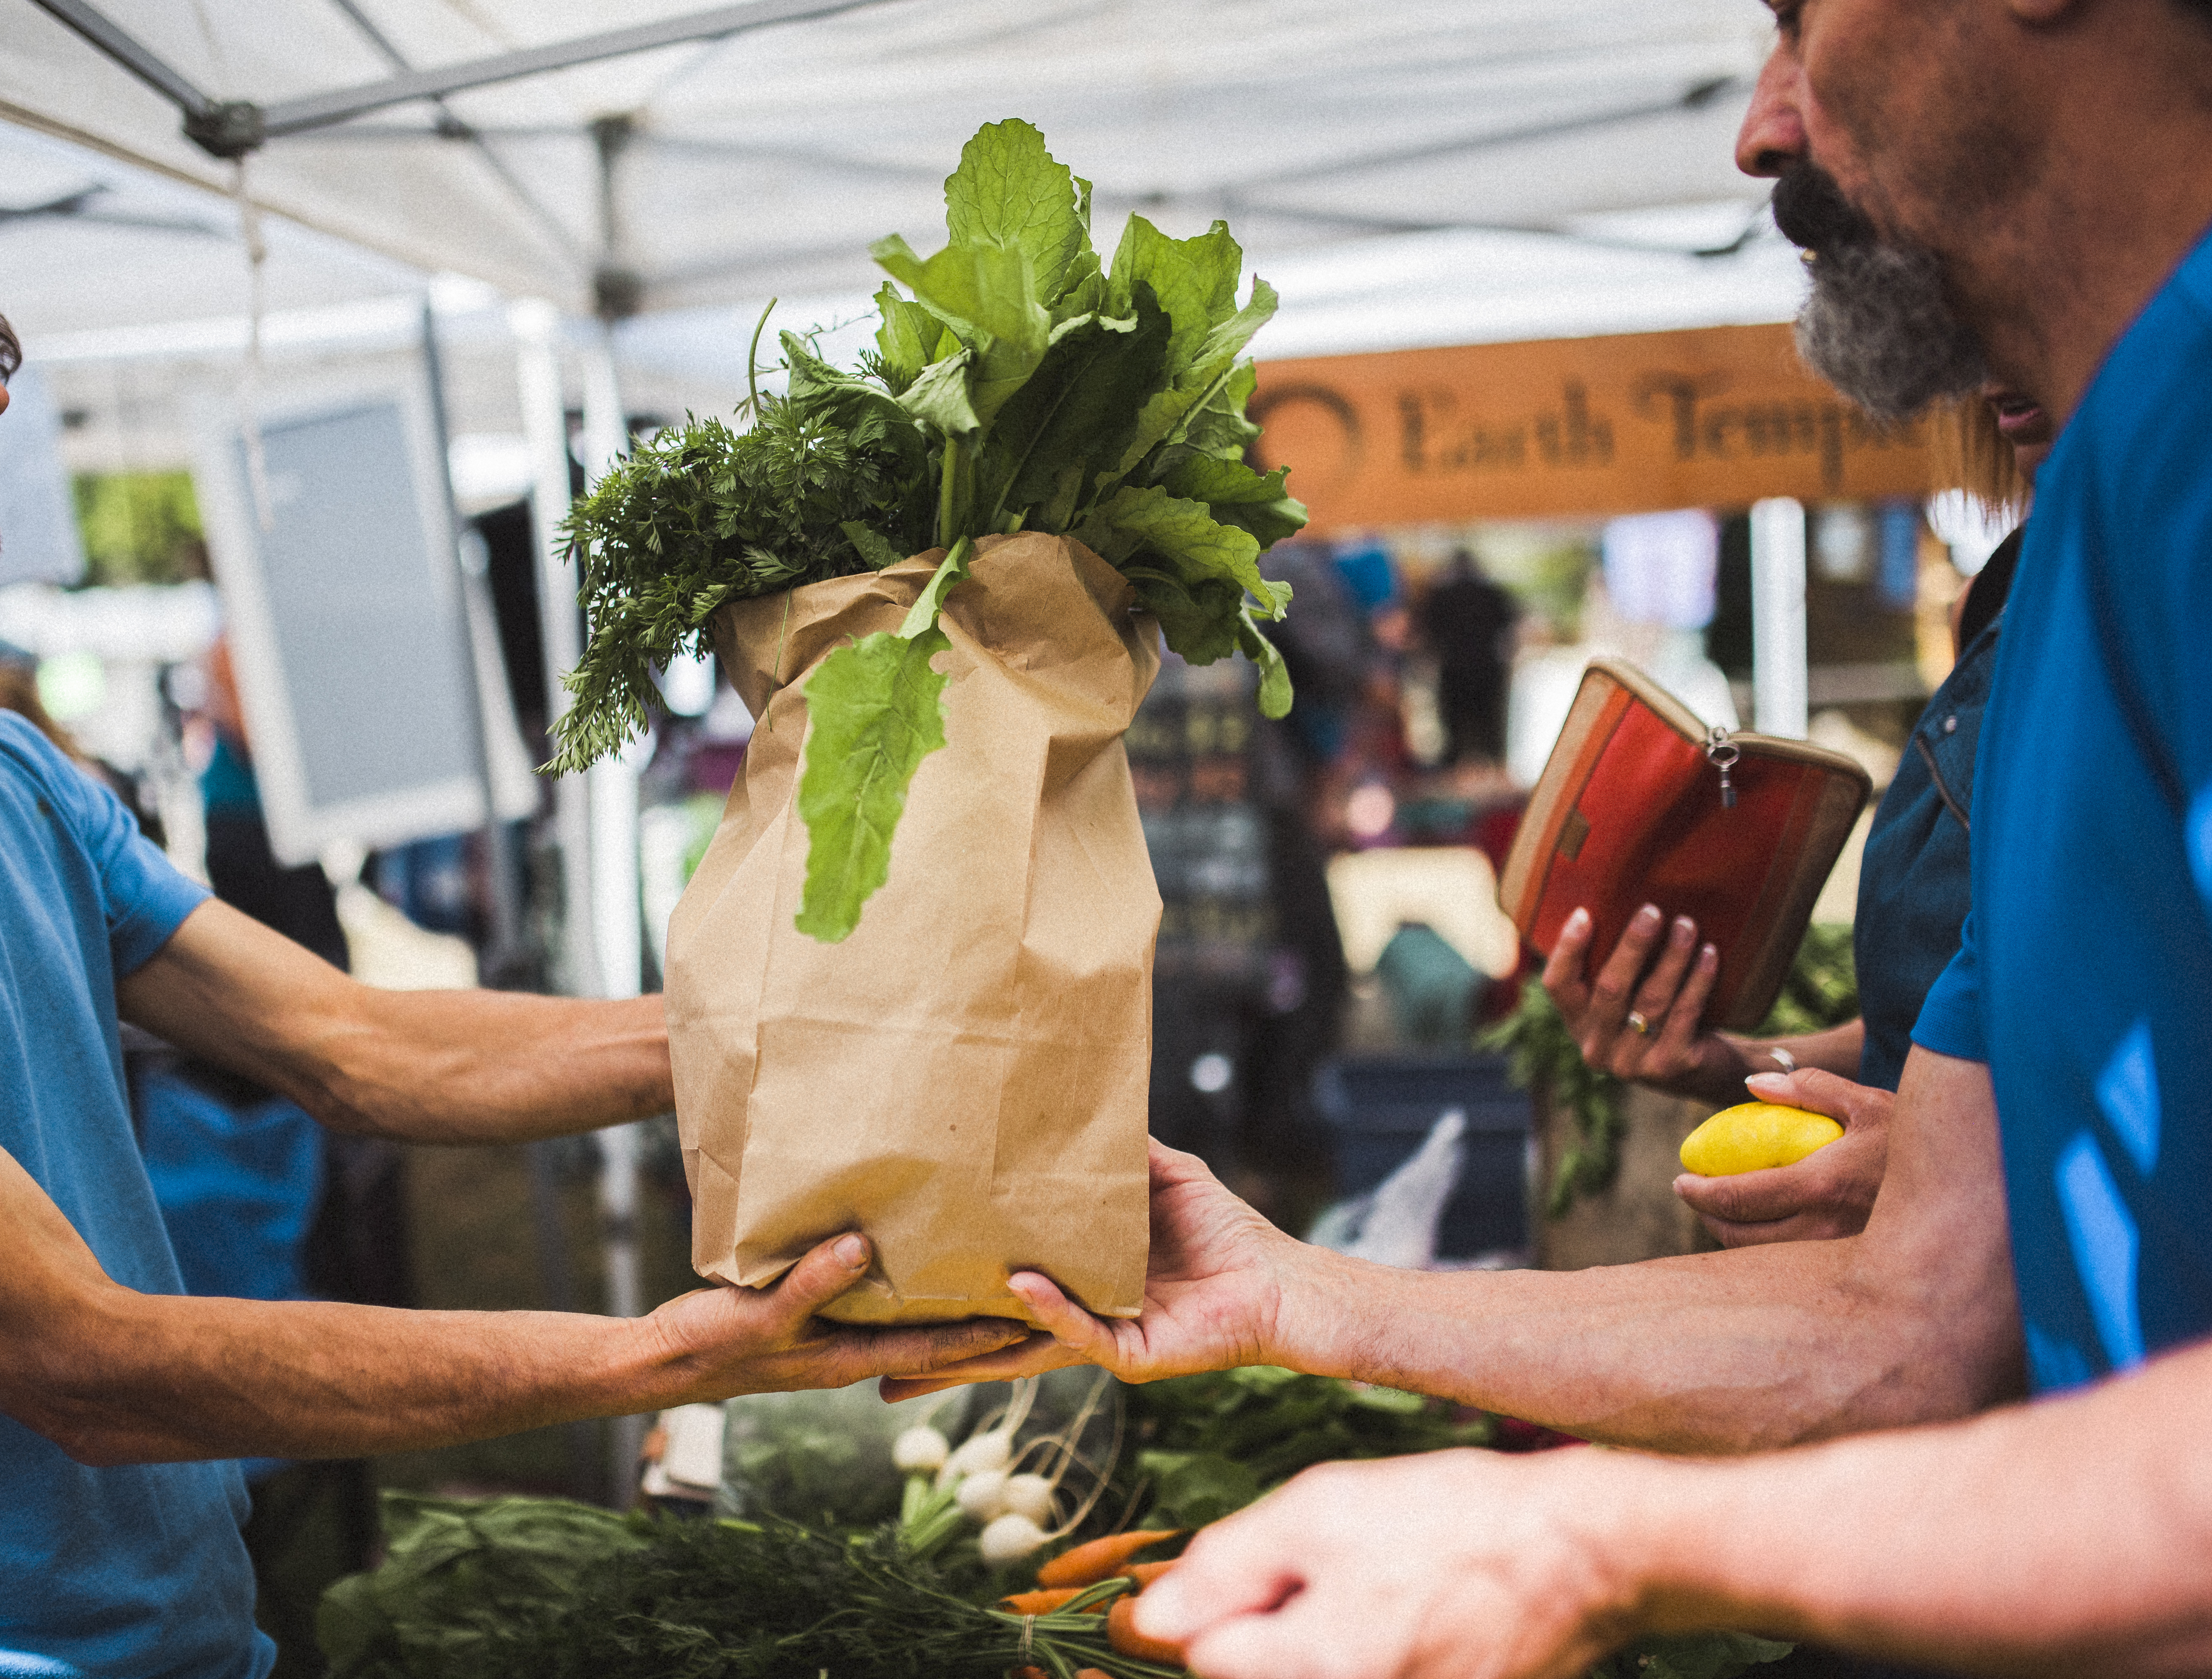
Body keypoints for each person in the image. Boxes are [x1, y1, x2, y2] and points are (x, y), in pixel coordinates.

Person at [920, 3, 2212, 1672]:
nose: (1762, 125)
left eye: (1801, 17)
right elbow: (1911, 1321)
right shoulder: (2100, 516)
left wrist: (1594, 1537)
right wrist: (1294, 1295)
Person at [0, 92, 1022, 1679]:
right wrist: (661, 1359)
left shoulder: (12, 781)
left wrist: (822, 1028)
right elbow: (78, 1356)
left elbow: (360, 1047)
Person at [1546, 392, 2051, 1248]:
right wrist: (1738, 1064)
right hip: (1906, 1307)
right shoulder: (2000, 599)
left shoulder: (2158, 606)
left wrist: (1961, 1169)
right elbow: (1936, 1018)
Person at [1416, 547, 1520, 766]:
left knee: (1455, 729)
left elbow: (1426, 631)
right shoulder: (1492, 594)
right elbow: (1512, 626)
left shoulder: (1441, 596)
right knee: (1489, 728)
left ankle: (1459, 769)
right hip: (1487, 670)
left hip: (1454, 670)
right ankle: (1491, 767)